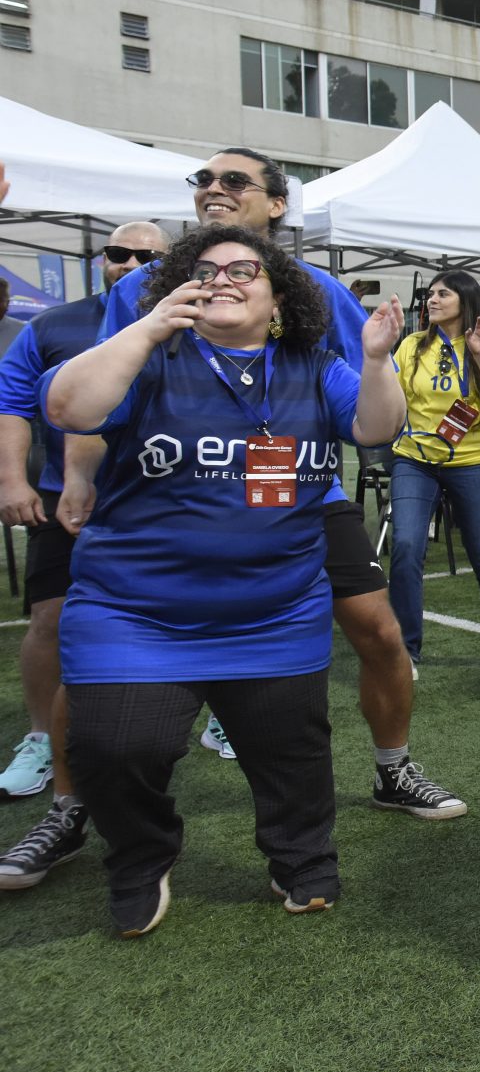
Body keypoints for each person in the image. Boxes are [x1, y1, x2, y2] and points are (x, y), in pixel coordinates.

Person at [74, 150, 464, 818]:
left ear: (278, 204)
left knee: (380, 632)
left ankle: (393, 769)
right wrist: (80, 475)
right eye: (204, 179)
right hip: (173, 500)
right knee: (77, 633)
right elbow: (97, 388)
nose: (214, 189)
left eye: (234, 180)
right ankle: (76, 801)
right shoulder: (145, 287)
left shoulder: (316, 288)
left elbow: (369, 393)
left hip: (299, 491)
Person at [44, 227, 406, 935]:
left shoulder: (313, 364)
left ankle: (301, 856)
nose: (223, 279)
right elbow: (70, 408)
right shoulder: (152, 355)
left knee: (292, 752)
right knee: (115, 749)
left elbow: (375, 429)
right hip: (135, 611)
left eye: (245, 270)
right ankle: (141, 858)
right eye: (205, 271)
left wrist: (375, 360)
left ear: (279, 300)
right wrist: (149, 326)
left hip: (276, 610)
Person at [0, 223, 167, 887]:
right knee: (54, 621)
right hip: (66, 502)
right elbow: (14, 403)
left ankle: (218, 726)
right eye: (119, 253)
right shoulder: (55, 324)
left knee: (190, 620)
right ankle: (44, 742)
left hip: (159, 506)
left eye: (147, 256)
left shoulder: (197, 323)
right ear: (101, 259)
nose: (131, 263)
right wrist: (13, 481)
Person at [389, 270, 480, 677]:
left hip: (471, 462)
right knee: (405, 547)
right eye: (430, 294)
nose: (432, 300)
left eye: (443, 294)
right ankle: (404, 651)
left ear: (465, 301)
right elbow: (392, 397)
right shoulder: (412, 345)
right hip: (414, 460)